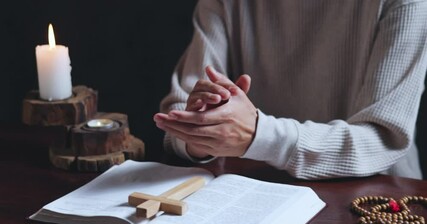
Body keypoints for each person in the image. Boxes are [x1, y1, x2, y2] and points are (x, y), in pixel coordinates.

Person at [154, 0, 427, 179]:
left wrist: (261, 135)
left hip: (377, 195)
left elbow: (383, 140)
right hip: (253, 187)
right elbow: (181, 107)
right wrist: (202, 131)